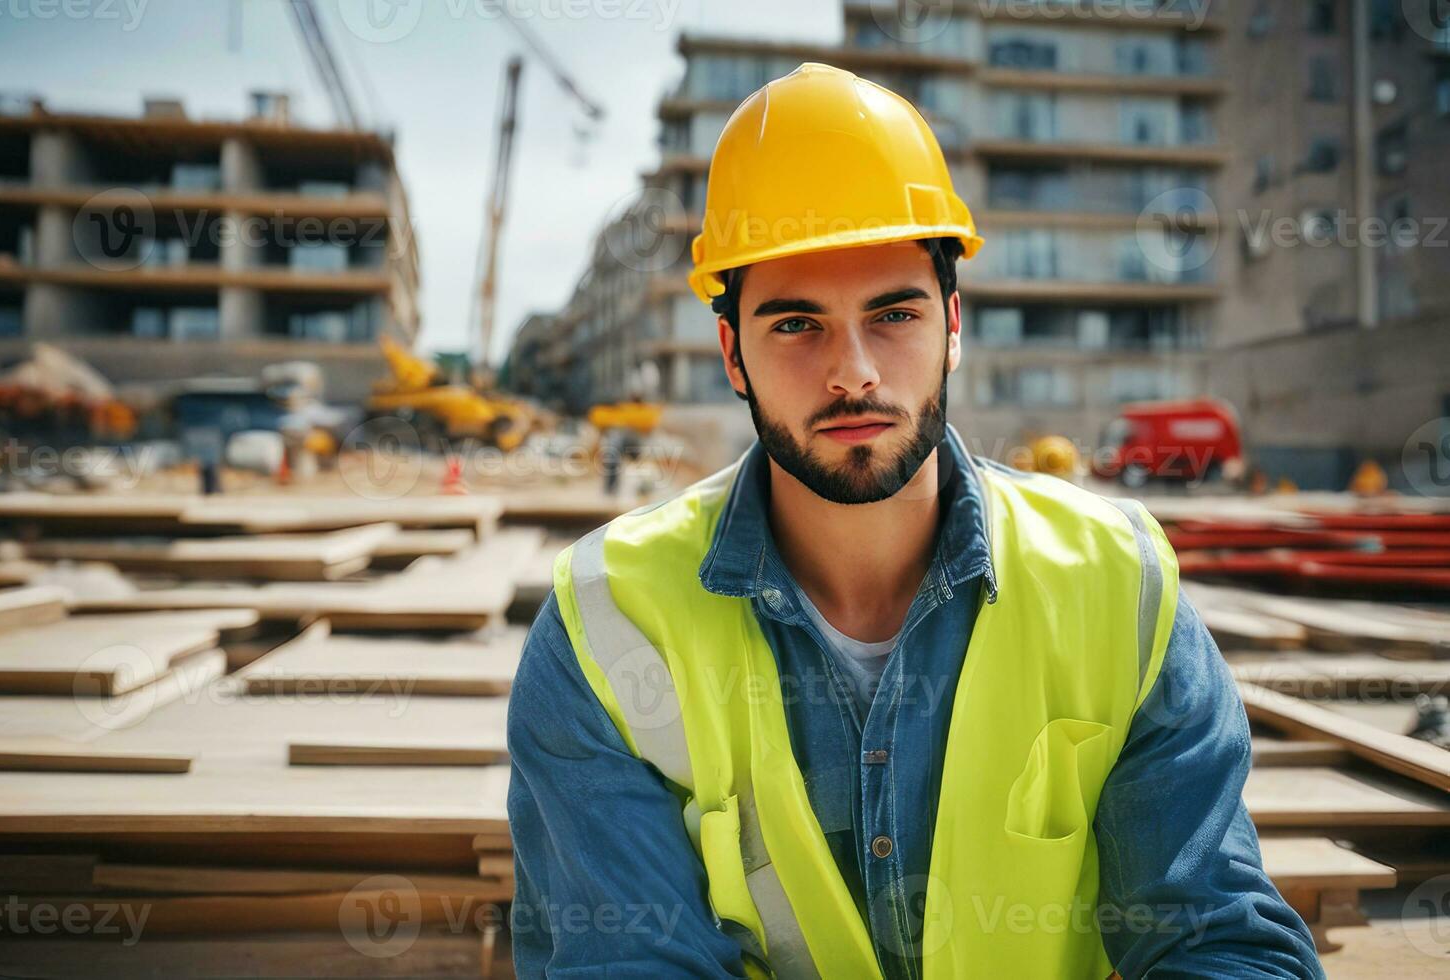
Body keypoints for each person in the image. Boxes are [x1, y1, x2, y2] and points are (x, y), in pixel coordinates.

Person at [507, 63, 1324, 978]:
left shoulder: (1114, 583)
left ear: (954, 326)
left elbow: (1216, 941)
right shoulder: (610, 625)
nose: (853, 371)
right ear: (732, 352)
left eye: (893, 314)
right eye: (796, 324)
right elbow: (630, 963)